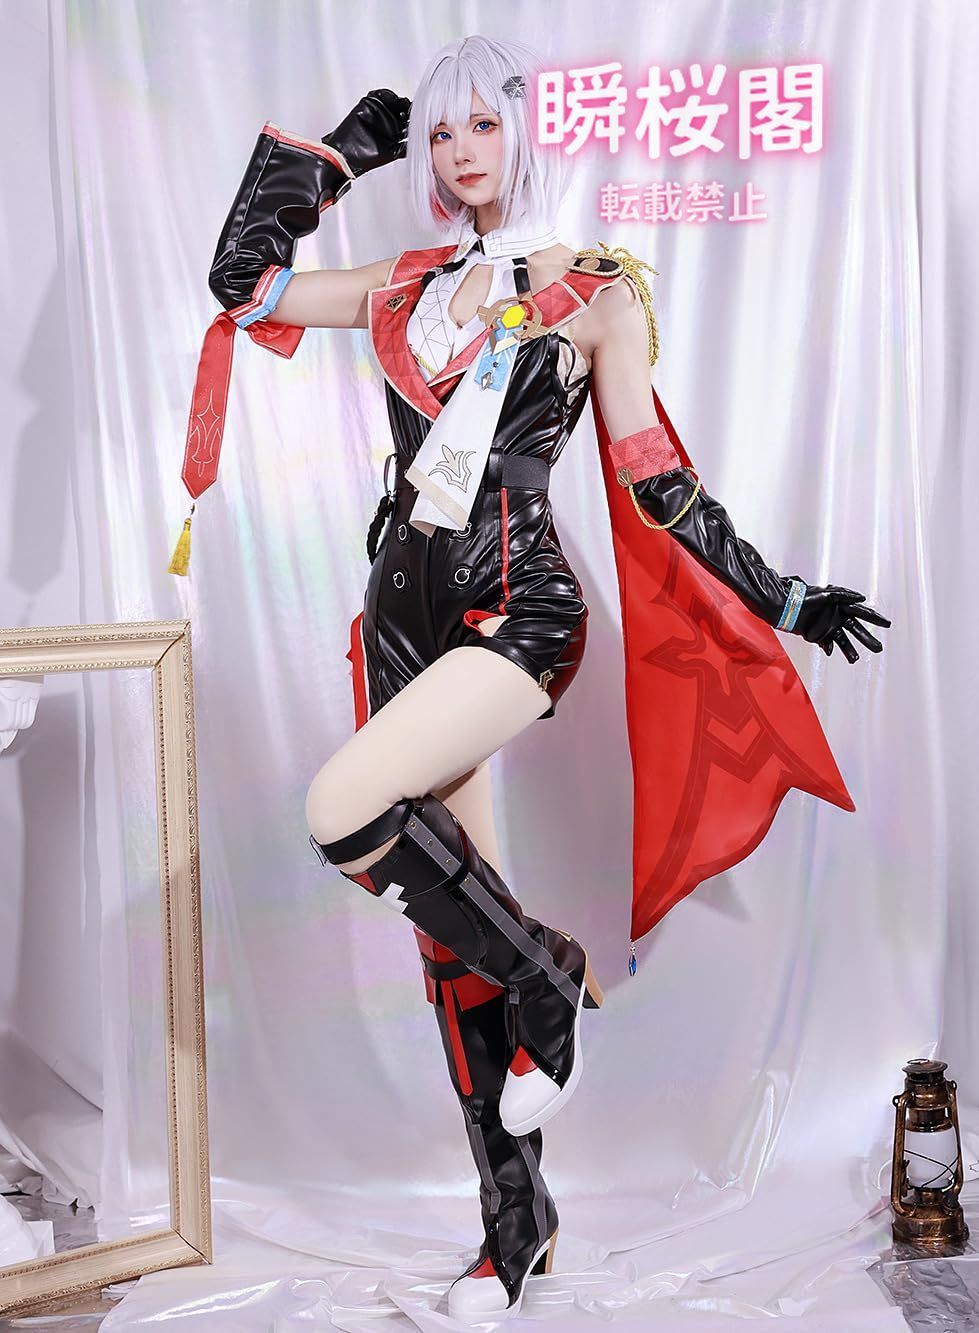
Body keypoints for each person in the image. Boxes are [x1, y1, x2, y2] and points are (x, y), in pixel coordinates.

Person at [177, 33, 890, 1323]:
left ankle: (550, 972)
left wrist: (783, 595)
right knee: (454, 934)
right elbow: (243, 285)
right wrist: (341, 152)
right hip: (402, 623)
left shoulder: (593, 290)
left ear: (525, 131)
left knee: (342, 812)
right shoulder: (401, 285)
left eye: (483, 125)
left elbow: (658, 480)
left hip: (519, 616)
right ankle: (517, 1226)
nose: (461, 153)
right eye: (441, 131)